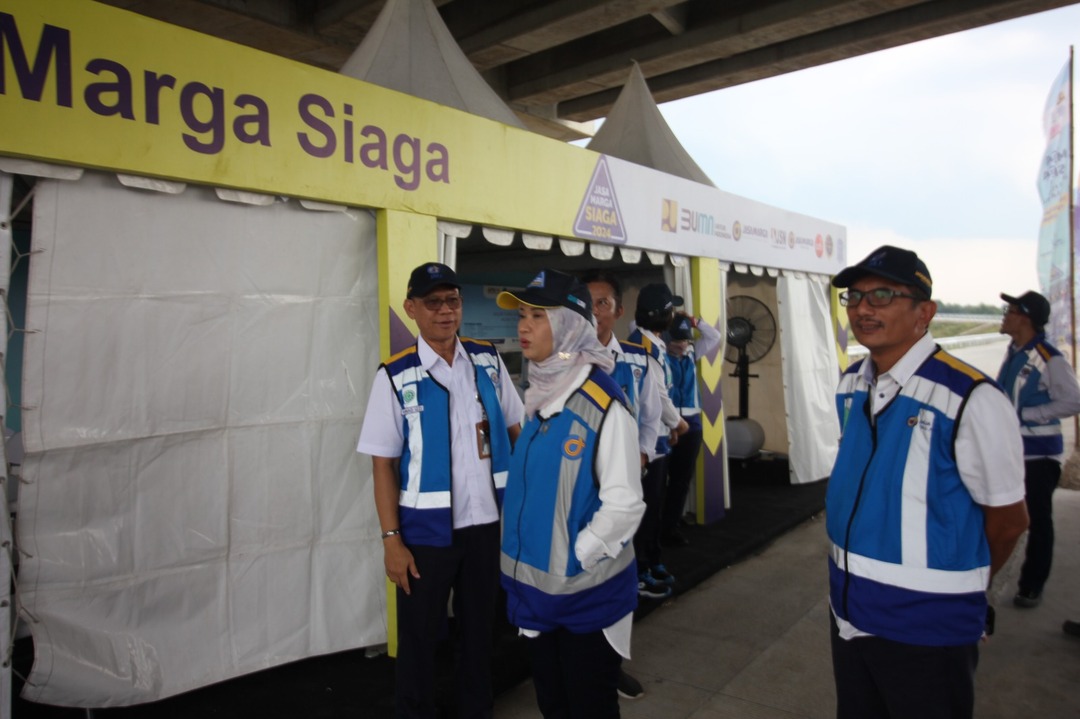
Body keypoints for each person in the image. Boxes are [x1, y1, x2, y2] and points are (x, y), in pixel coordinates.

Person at [827, 245, 1029, 719]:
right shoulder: (851, 383)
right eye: (854, 296)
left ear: (925, 313)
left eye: (881, 295)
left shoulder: (970, 398)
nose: (862, 308)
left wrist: (966, 590)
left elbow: (1009, 522)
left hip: (927, 629)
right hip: (849, 614)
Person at [356, 262, 523, 719]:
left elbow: (514, 429)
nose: (445, 311)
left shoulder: (486, 361)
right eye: (433, 302)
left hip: (486, 527)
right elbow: (383, 466)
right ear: (412, 309)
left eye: (452, 300)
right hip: (424, 538)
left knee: (479, 636)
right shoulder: (396, 375)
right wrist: (392, 542)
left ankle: (476, 710)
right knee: (420, 641)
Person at [496, 269, 645, 719]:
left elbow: (624, 503)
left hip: (586, 600)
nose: (523, 326)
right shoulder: (538, 395)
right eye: (522, 315)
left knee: (588, 706)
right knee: (553, 704)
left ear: (569, 326)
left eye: (538, 316)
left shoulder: (603, 405)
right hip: (538, 597)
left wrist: (578, 554)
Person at [582, 270, 660, 701]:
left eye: (602, 304)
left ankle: (611, 666)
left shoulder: (638, 359)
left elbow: (651, 417)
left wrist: (643, 454)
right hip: (576, 491)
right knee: (581, 571)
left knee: (616, 577)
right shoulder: (559, 359)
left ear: (618, 310)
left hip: (623, 489)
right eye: (587, 303)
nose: (595, 313)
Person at [997, 290, 1080, 608]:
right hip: (1010, 452)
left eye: (1011, 309)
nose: (1005, 314)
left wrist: (1027, 414)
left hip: (1039, 456)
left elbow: (1073, 400)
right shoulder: (1014, 351)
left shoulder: (1049, 358)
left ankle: (1032, 584)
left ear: (1026, 317)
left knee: (1038, 521)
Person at [628, 284, 688, 598]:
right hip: (645, 444)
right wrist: (678, 422)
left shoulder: (651, 343)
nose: (674, 315)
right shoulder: (643, 346)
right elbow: (657, 396)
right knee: (646, 508)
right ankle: (639, 570)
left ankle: (651, 561)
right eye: (671, 310)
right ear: (663, 315)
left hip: (657, 439)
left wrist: (672, 427)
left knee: (654, 506)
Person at [661, 312, 722, 547]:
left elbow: (714, 336)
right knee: (657, 482)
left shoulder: (692, 353)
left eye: (685, 339)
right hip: (666, 425)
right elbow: (638, 325)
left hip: (692, 425)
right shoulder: (658, 354)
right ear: (667, 337)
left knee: (681, 480)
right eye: (677, 339)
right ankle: (655, 526)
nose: (682, 344)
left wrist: (696, 321)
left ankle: (670, 526)